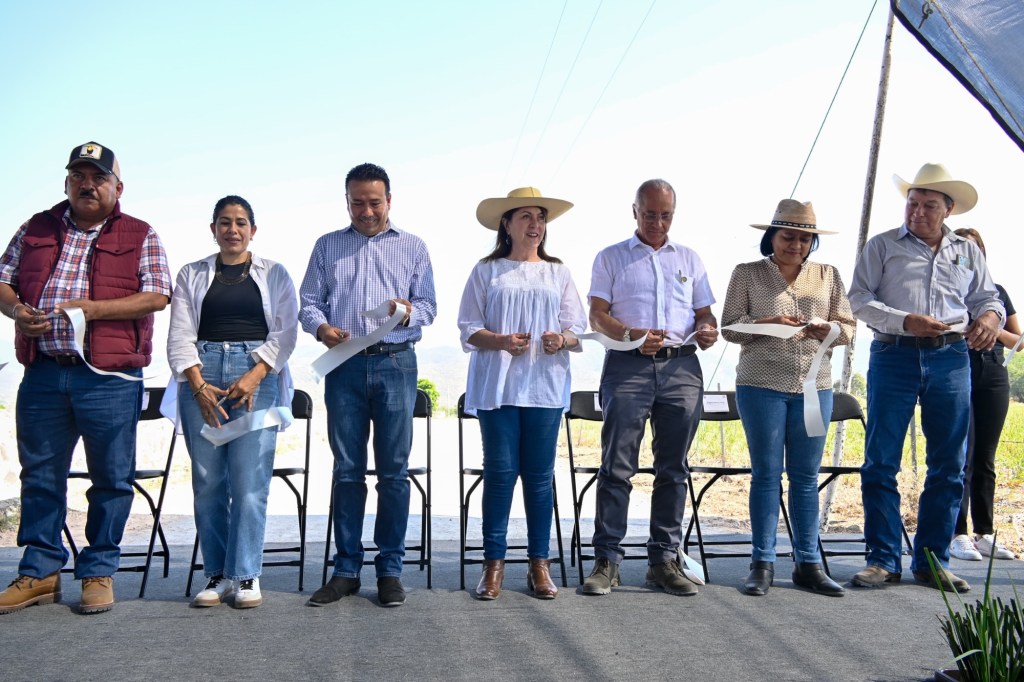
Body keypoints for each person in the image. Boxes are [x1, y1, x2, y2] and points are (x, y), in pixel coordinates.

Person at [0, 142, 171, 615]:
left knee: (111, 478)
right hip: (43, 372)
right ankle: (40, 572)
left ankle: (98, 570)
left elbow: (158, 295)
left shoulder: (140, 233)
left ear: (118, 187)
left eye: (98, 177)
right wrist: (17, 311)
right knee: (40, 476)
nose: (87, 185)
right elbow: (3, 280)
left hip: (109, 378)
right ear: (66, 182)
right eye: (78, 175)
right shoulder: (36, 227)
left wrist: (92, 310)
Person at [848, 163, 1004, 593]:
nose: (917, 212)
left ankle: (933, 561)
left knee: (949, 464)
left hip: (951, 359)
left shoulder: (967, 251)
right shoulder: (882, 246)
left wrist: (990, 318)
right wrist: (905, 321)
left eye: (928, 205)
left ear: (948, 209)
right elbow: (858, 299)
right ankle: (882, 559)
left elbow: (988, 298)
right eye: (912, 203)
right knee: (881, 461)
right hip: (893, 355)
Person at [299, 162, 436, 608]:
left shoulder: (413, 246)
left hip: (396, 363)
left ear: (389, 200)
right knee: (347, 470)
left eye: (374, 202)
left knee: (394, 471)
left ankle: (390, 570)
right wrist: (322, 329)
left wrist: (406, 312)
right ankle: (346, 570)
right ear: (347, 202)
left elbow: (429, 307)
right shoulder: (327, 245)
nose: (366, 211)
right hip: (344, 366)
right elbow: (309, 302)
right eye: (357, 202)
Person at [582, 178, 718, 597]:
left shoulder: (690, 258)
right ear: (635, 212)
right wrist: (632, 335)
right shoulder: (611, 257)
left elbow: (704, 313)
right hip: (628, 366)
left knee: (674, 468)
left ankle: (663, 561)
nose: (658, 222)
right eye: (650, 214)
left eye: (666, 215)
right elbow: (597, 315)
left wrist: (707, 329)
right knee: (617, 465)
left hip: (682, 368)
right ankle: (607, 561)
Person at [167, 196, 298, 609]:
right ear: (213, 229)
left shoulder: (275, 273)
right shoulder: (191, 273)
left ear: (253, 230)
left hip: (257, 374)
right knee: (208, 482)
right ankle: (217, 574)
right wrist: (197, 384)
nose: (233, 230)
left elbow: (286, 332)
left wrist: (255, 374)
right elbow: (179, 333)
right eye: (224, 222)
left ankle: (245, 574)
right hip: (202, 374)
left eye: (241, 222)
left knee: (249, 482)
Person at [457, 187, 586, 600]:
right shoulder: (487, 270)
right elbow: (468, 327)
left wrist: (560, 340)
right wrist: (499, 340)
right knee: (499, 474)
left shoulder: (558, 272)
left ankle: (539, 565)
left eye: (541, 217)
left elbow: (577, 329)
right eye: (526, 216)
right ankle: (493, 564)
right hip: (497, 386)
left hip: (543, 387)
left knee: (539, 478)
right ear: (507, 224)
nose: (536, 224)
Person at [721, 199, 854, 597]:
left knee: (806, 478)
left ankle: (808, 563)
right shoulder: (747, 273)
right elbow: (730, 328)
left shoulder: (828, 275)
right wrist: (769, 323)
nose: (796, 245)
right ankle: (761, 562)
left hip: (814, 388)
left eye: (804, 239)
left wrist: (827, 330)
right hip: (761, 385)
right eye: (788, 236)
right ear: (772, 237)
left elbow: (848, 329)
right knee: (766, 474)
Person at [948, 227, 1019, 562]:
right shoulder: (945, 292)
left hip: (993, 372)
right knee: (961, 456)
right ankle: (957, 534)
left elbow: (1019, 341)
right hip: (955, 369)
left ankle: (985, 533)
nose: (967, 255)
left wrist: (992, 326)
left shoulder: (997, 292)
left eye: (973, 249)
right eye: (961, 249)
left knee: (985, 458)